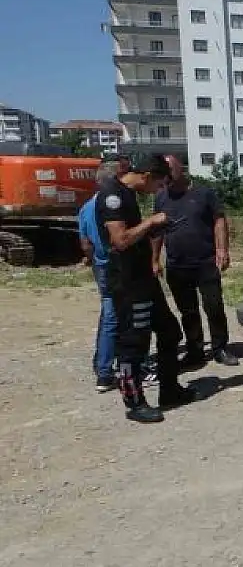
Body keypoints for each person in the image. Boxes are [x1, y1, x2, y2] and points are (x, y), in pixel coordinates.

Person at [96, 153, 197, 423]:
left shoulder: (129, 195)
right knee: (133, 343)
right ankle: (135, 402)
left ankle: (170, 389)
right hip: (128, 282)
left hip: (144, 279)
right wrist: (152, 222)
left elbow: (134, 234)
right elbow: (120, 240)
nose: (159, 190)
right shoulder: (112, 195)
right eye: (159, 184)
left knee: (170, 331)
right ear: (147, 176)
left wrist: (155, 230)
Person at [152, 155, 238, 369]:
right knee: (188, 311)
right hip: (177, 265)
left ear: (180, 168)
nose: (167, 175)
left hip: (205, 262)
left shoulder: (204, 193)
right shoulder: (161, 197)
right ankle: (195, 350)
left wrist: (222, 249)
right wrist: (154, 259)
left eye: (170, 169)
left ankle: (220, 348)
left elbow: (219, 220)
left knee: (214, 306)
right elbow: (157, 231)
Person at [78, 156, 123, 392]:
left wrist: (93, 258)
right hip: (115, 266)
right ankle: (106, 372)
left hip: (100, 265)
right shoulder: (112, 204)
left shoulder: (86, 207)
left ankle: (101, 363)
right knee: (115, 316)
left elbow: (85, 242)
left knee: (108, 313)